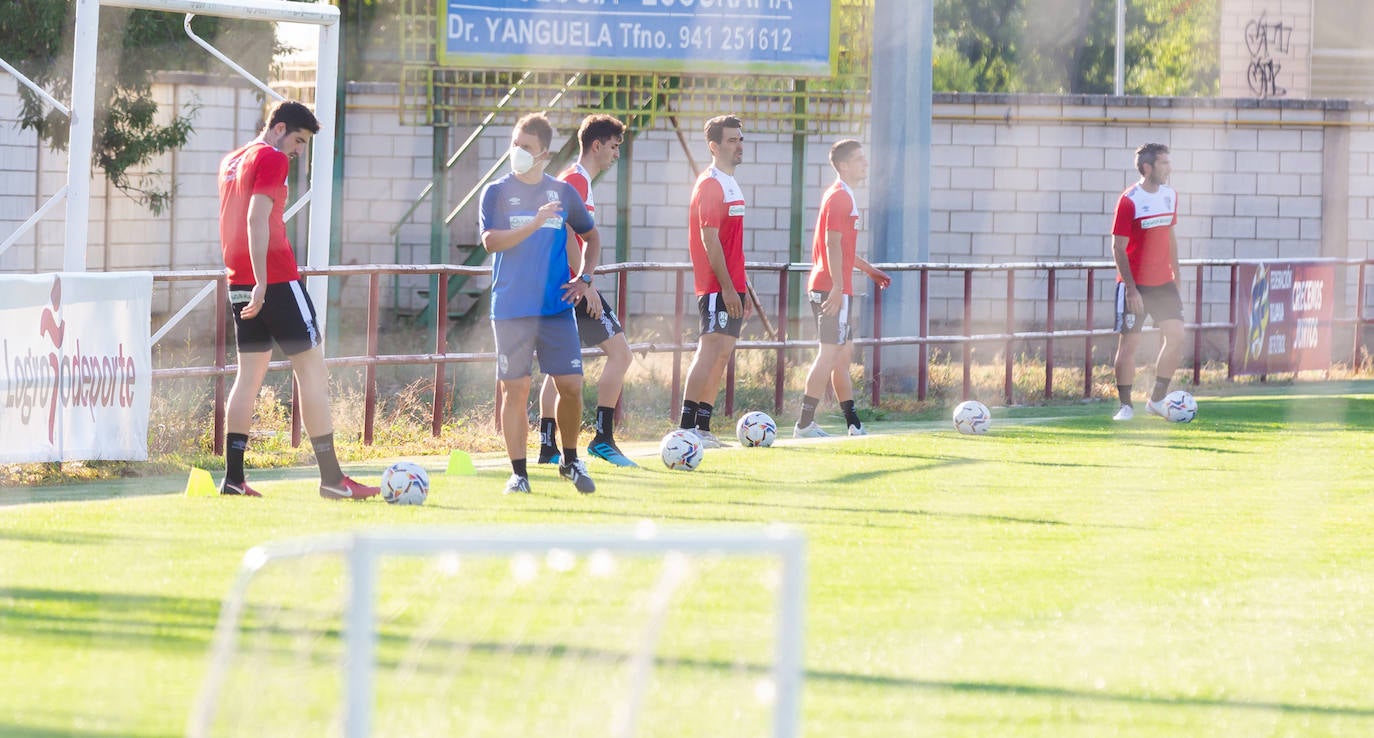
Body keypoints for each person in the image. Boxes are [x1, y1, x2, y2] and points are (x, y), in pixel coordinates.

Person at [217, 100, 379, 500]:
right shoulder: (271, 158)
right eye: (299, 140)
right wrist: (263, 280)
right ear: (279, 128)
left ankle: (234, 480)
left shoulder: (233, 160)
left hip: (237, 280)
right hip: (273, 280)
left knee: (248, 377)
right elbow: (256, 218)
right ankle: (332, 479)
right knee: (312, 371)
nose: (298, 151)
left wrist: (251, 280)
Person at [480, 112, 601, 494]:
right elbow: (491, 242)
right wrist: (533, 223)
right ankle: (518, 473)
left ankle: (570, 460)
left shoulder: (563, 193)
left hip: (555, 308)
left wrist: (584, 279)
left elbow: (592, 238)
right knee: (514, 391)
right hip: (511, 308)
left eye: (526, 147)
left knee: (572, 386)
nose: (517, 151)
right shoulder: (496, 192)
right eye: (515, 144)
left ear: (544, 154)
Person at [535, 114, 638, 468]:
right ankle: (603, 439)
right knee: (621, 354)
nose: (616, 155)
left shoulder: (578, 179)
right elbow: (563, 231)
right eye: (613, 147)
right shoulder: (576, 179)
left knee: (558, 367)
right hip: (570, 285)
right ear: (596, 145)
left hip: (562, 284)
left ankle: (548, 445)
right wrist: (585, 281)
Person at [794, 139, 891, 438]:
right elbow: (831, 244)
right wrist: (837, 286)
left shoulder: (843, 195)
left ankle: (853, 423)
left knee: (841, 355)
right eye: (860, 159)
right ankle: (804, 423)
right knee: (829, 353)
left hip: (835, 286)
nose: (866, 164)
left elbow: (843, 249)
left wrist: (869, 270)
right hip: (830, 288)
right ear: (845, 165)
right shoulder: (840, 197)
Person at [677, 115, 749, 448]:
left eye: (740, 139)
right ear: (714, 146)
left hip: (733, 284)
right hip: (716, 285)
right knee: (709, 350)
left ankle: (703, 427)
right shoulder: (710, 183)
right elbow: (710, 239)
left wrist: (743, 286)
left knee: (723, 354)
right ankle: (686, 426)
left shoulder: (731, 182)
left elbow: (734, 243)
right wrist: (727, 286)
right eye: (732, 140)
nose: (739, 146)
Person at [1110, 142, 1184, 421]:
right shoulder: (1129, 200)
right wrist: (1130, 289)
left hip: (1163, 282)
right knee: (1129, 345)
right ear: (1147, 167)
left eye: (1169, 162)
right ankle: (1126, 406)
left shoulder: (1170, 195)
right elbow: (1118, 247)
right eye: (1164, 163)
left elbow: (1170, 237)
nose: (1169, 168)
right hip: (1135, 285)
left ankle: (1156, 400)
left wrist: (1177, 275)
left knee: (1176, 336)